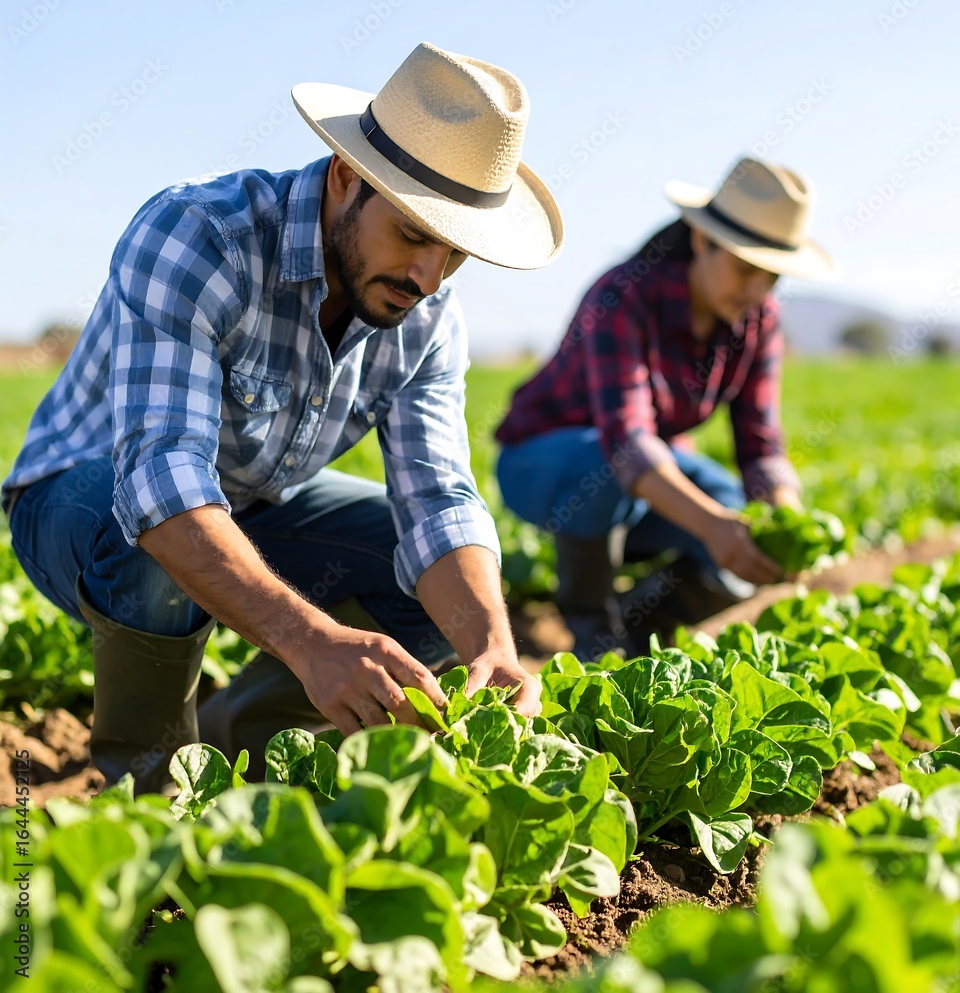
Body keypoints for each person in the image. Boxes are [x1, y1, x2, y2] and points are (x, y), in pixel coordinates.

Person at [1, 42, 562, 793]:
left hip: (249, 503)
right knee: (154, 543)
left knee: (434, 582)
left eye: (455, 253)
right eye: (414, 234)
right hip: (79, 502)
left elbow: (438, 502)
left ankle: (233, 737)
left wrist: (491, 643)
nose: (428, 277)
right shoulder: (200, 235)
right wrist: (311, 640)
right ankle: (152, 796)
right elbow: (161, 486)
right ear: (346, 176)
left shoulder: (426, 315)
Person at [494, 156, 834, 659]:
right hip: (544, 468)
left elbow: (760, 445)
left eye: (771, 278)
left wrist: (787, 520)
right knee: (604, 465)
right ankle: (589, 627)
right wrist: (712, 526)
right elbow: (627, 442)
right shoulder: (624, 294)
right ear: (701, 239)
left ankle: (637, 626)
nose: (757, 290)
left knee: (742, 518)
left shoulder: (758, 318)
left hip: (638, 480)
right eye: (745, 269)